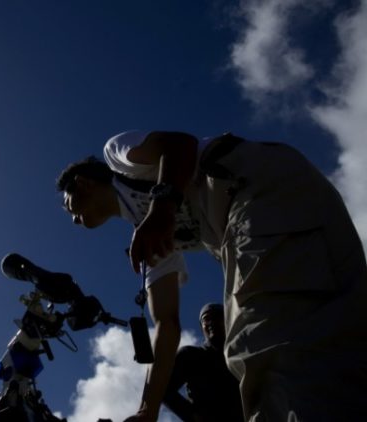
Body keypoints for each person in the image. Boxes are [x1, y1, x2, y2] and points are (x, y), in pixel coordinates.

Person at [56, 130, 367, 421]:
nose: (72, 220)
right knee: (335, 341)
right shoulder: (149, 235)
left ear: (83, 183)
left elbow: (178, 145)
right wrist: (147, 411)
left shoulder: (118, 157)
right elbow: (166, 324)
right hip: (296, 204)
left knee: (259, 345)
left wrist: (162, 207)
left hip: (253, 190)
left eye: (69, 207)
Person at [163, 303, 243, 422]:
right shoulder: (190, 355)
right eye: (206, 319)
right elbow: (163, 388)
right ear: (201, 326)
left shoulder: (241, 358)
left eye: (217, 317)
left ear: (227, 322)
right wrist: (192, 415)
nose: (211, 322)